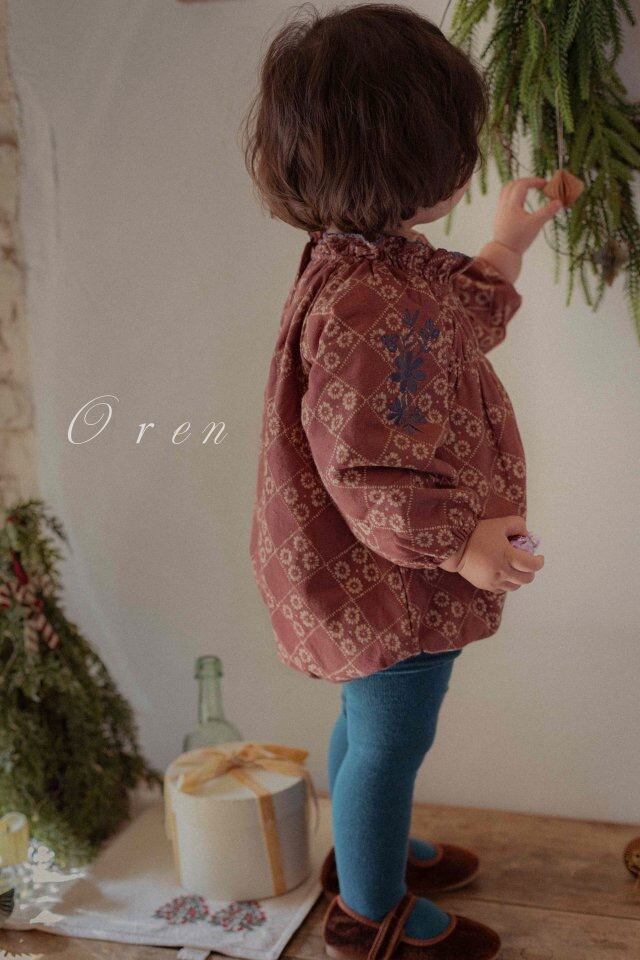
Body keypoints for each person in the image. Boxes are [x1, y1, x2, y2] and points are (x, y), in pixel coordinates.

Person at [243, 5, 557, 958]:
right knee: (390, 742)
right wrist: (457, 544)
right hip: (389, 582)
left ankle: (363, 852)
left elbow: (451, 325)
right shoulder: (366, 299)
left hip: (371, 575)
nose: (469, 161)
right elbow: (364, 462)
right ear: (410, 160)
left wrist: (507, 242)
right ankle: (368, 912)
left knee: (365, 722)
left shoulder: (367, 261)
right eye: (458, 142)